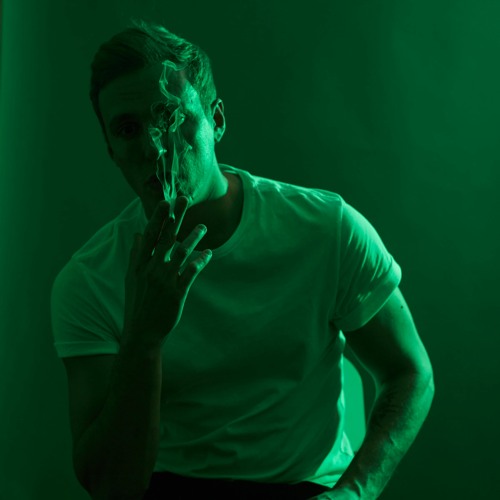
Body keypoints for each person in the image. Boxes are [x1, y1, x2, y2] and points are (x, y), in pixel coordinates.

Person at [50, 19, 435, 500]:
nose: (154, 146)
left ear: (216, 121)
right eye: (128, 129)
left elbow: (409, 372)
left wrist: (355, 492)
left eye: (170, 115)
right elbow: (112, 487)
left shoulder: (327, 230)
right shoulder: (89, 281)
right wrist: (143, 340)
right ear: (112, 150)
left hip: (305, 488)